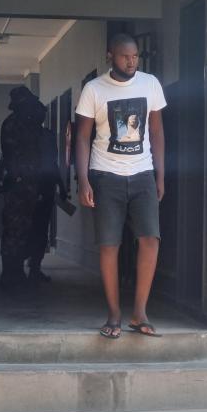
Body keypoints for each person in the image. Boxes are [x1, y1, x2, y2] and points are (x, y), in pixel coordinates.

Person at [76, 34, 166, 339]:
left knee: (150, 239)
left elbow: (156, 132)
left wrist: (160, 176)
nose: (131, 61)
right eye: (125, 56)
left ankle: (139, 313)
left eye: (135, 56)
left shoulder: (150, 84)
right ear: (109, 56)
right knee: (109, 245)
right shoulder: (94, 89)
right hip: (105, 176)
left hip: (142, 174)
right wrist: (84, 179)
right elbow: (82, 137)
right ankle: (114, 314)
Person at [0, 86, 47, 290]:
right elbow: (11, 156)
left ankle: (14, 273)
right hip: (19, 184)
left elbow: (40, 112)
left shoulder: (24, 123)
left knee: (22, 229)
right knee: (15, 230)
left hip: (27, 184)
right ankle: (11, 275)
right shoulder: (16, 124)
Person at [27, 125, 68, 284]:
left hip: (41, 189)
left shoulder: (45, 136)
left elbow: (52, 163)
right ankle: (29, 268)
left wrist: (61, 187)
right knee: (33, 230)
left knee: (39, 230)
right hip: (33, 188)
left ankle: (33, 268)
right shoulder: (38, 135)